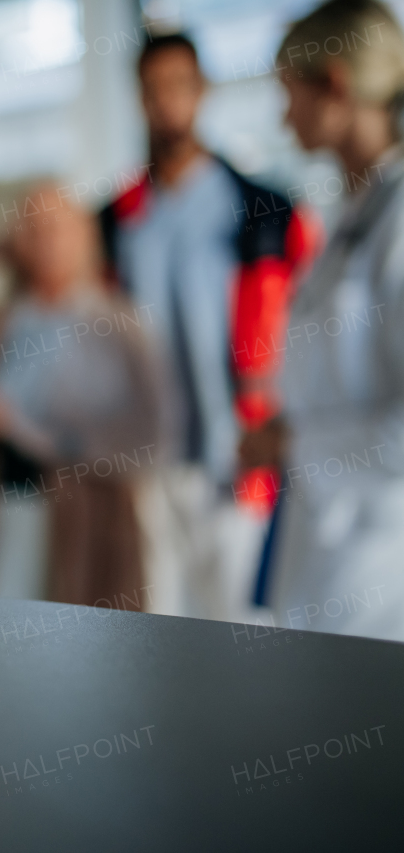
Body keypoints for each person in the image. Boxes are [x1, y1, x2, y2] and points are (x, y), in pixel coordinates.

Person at [99, 34, 318, 619]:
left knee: (243, 630)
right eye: (151, 90)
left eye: (178, 86)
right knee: (156, 625)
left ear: (202, 93)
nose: (165, 102)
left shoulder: (264, 210)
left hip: (235, 463)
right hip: (149, 465)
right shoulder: (117, 222)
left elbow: (312, 330)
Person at [249, 0, 404, 641]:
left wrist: (297, 445)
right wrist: (292, 425)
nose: (285, 119)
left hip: (379, 557)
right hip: (329, 538)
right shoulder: (355, 214)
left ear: (335, 84)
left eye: (290, 94)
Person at [0, 187, 159, 608]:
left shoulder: (118, 326)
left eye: (57, 228)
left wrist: (23, 428)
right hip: (8, 508)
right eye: (32, 229)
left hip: (87, 520)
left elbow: (144, 438)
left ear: (84, 235)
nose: (45, 241)